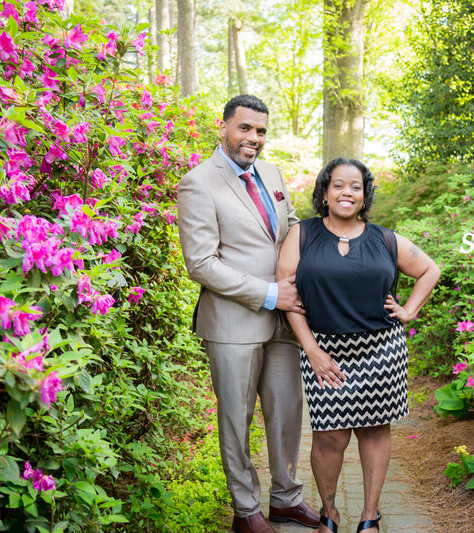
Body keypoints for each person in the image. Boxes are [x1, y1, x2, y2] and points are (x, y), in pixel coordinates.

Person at [178, 95, 320, 533]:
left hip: (284, 320)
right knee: (236, 419)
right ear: (223, 127)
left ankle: (286, 500)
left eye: (260, 130)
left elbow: (292, 225)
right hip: (233, 322)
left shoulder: (273, 174)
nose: (253, 138)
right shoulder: (198, 182)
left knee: (287, 410)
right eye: (244, 128)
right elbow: (200, 263)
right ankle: (246, 512)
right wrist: (268, 293)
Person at [277, 158, 441, 533]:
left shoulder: (384, 239)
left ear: (365, 196)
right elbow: (289, 298)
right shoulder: (302, 235)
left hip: (382, 349)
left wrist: (409, 309)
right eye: (337, 185)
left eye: (355, 186)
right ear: (324, 192)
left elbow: (430, 269)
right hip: (324, 350)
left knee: (374, 430)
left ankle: (370, 515)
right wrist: (312, 350)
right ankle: (329, 513)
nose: (346, 192)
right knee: (329, 435)